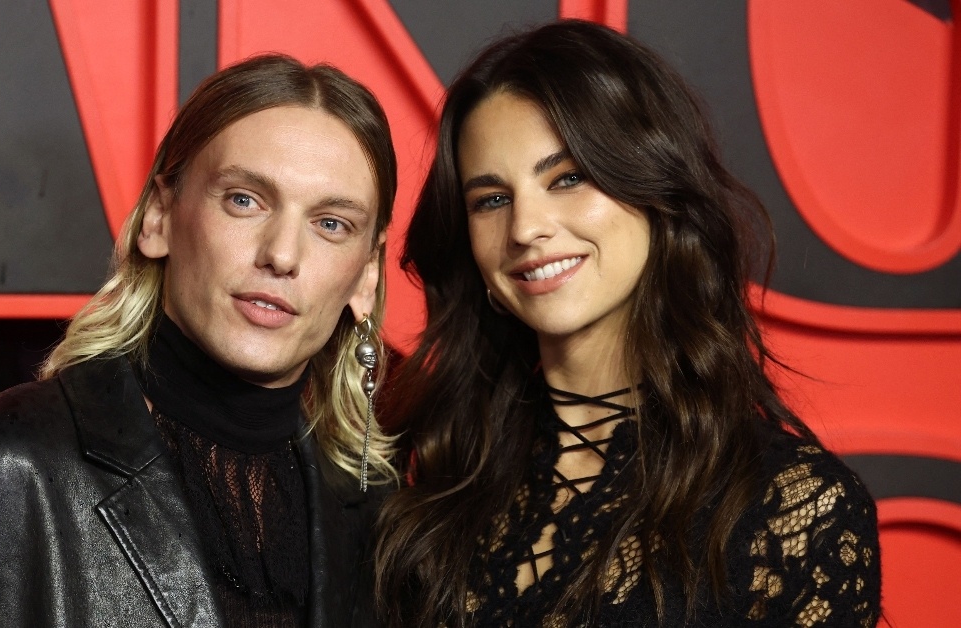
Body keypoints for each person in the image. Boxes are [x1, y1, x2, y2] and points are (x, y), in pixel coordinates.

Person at [0, 54, 397, 627]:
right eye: (244, 200)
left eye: (330, 224)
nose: (282, 255)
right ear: (160, 217)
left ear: (366, 275)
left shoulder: (384, 523)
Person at [374, 20, 880, 627]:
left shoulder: (792, 508)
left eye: (567, 178)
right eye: (492, 199)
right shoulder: (426, 469)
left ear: (654, 191)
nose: (526, 228)